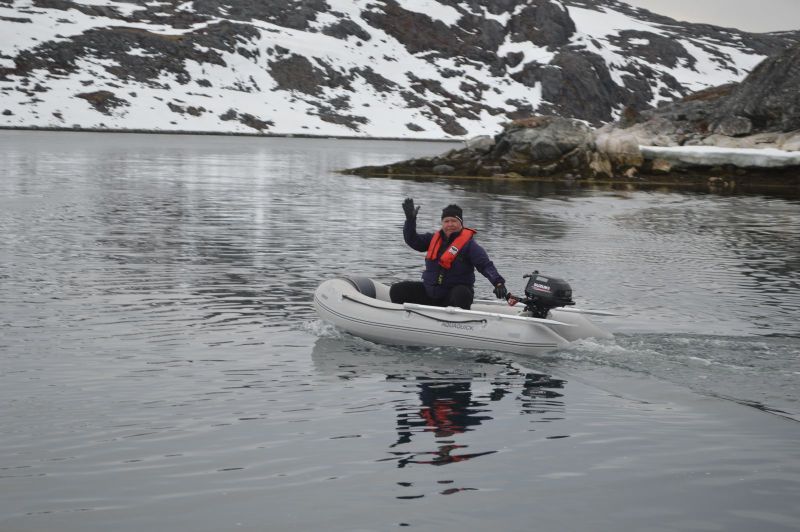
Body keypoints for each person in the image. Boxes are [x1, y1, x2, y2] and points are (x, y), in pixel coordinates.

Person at [389, 198, 508, 310]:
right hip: (430, 292)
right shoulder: (432, 239)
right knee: (397, 290)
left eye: (454, 221)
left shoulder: (470, 246)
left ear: (461, 223)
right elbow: (412, 241)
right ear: (442, 223)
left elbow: (485, 265)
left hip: (452, 296)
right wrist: (410, 220)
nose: (450, 224)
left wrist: (498, 283)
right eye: (446, 221)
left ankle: (460, 321)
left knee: (462, 294)